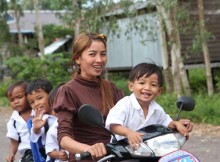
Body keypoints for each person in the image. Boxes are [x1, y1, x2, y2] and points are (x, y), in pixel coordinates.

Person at [52, 32, 124, 162]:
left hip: (116, 156)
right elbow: (63, 138)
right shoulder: (68, 91)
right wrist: (88, 149)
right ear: (78, 58)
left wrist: (167, 123)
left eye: (103, 54)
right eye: (92, 54)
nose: (99, 60)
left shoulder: (112, 89)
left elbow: (131, 118)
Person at [105, 62, 191, 146]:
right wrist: (128, 133)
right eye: (142, 83)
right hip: (123, 150)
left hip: (148, 151)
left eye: (153, 85)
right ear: (131, 86)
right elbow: (113, 125)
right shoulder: (124, 104)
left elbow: (166, 122)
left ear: (159, 91)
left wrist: (176, 124)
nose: (147, 88)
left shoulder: (157, 109)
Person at [26, 78, 56, 162]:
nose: (36, 104)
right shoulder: (36, 120)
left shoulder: (61, 112)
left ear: (51, 94)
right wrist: (36, 128)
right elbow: (34, 139)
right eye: (31, 102)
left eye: (39, 98)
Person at [6, 81, 33, 162]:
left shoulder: (38, 111)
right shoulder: (13, 121)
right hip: (27, 155)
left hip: (45, 151)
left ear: (29, 96)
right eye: (12, 100)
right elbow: (14, 141)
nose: (16, 102)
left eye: (19, 97)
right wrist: (11, 154)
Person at [46, 83, 69, 162]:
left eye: (59, 106)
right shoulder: (54, 129)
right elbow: (49, 150)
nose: (55, 110)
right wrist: (59, 154)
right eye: (53, 107)